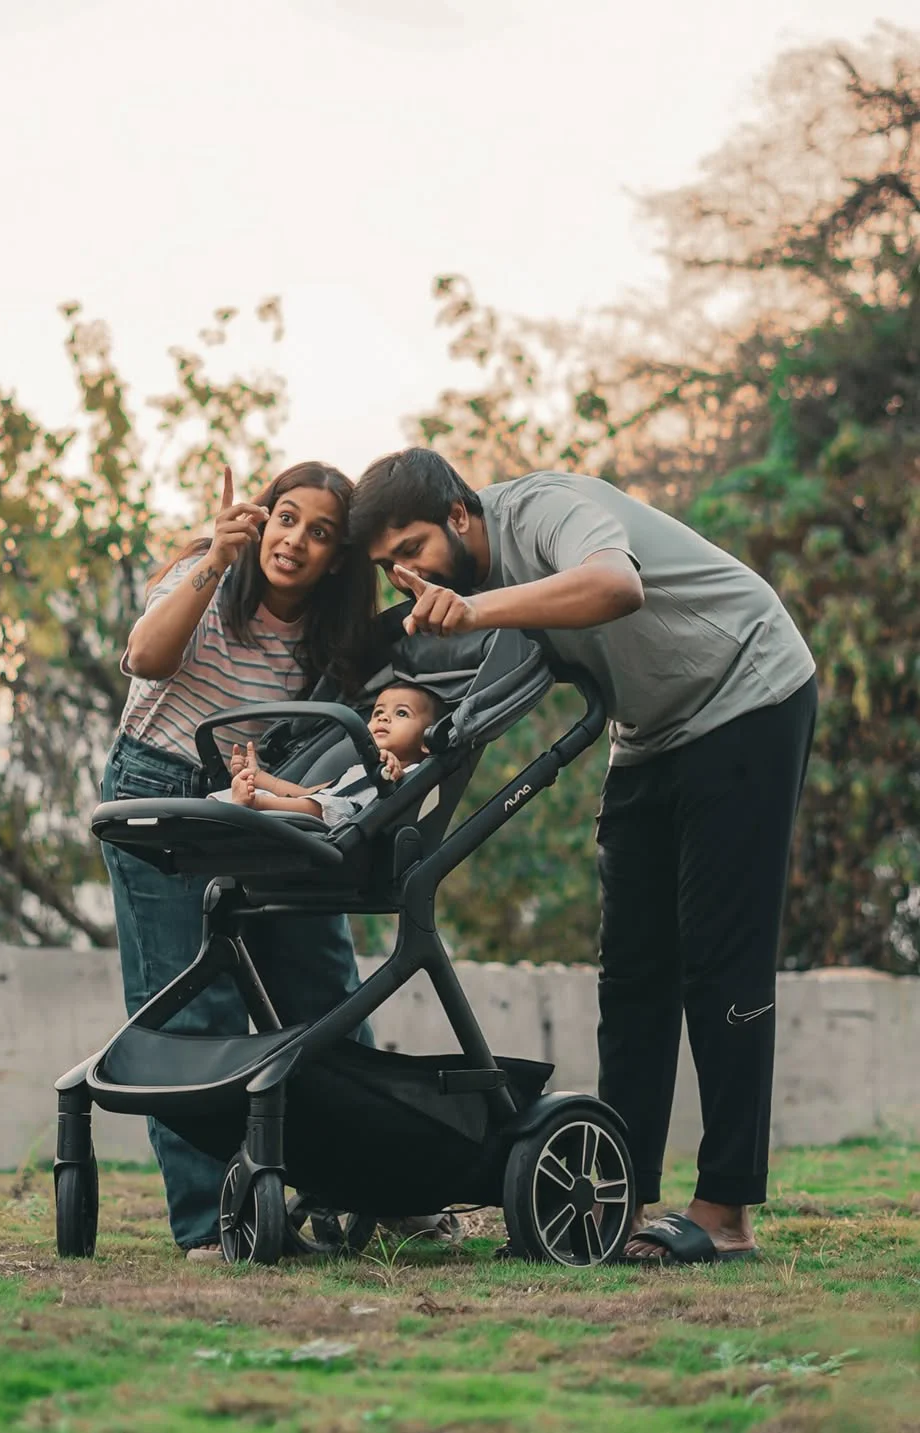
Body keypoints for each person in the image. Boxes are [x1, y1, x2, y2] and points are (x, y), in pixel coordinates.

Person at [350, 446, 818, 1266]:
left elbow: (616, 584)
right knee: (632, 971)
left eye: (411, 550)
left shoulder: (547, 510)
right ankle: (617, 1199)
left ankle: (725, 1211)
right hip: (647, 730)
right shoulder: (471, 588)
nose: (403, 576)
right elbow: (478, 704)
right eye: (387, 565)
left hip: (748, 687)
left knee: (719, 959)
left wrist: (481, 609)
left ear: (460, 514)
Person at [103, 460, 379, 1263]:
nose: (295, 540)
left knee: (325, 986)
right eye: (286, 517)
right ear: (261, 519)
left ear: (336, 557)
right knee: (190, 1005)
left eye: (320, 532)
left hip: (254, 803)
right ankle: (211, 1222)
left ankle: (370, 1185)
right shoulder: (206, 569)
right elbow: (147, 658)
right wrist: (217, 561)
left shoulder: (331, 642)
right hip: (158, 788)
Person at [215, 682, 442, 822]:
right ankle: (227, 810)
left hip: (342, 821)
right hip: (315, 811)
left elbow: (394, 781)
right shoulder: (356, 770)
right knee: (223, 798)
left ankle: (254, 805)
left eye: (402, 713)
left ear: (427, 739)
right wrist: (257, 776)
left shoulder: (412, 773)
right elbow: (307, 793)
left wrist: (391, 768)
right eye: (377, 712)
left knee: (336, 806)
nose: (383, 717)